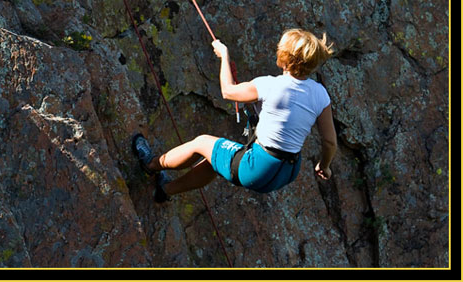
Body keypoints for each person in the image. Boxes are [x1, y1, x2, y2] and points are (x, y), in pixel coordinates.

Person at [132, 28, 337, 202]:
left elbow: (228, 91)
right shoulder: (320, 93)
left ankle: (149, 165)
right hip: (287, 171)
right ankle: (165, 191)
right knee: (216, 158)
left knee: (201, 143)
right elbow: (329, 142)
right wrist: (323, 166)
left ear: (286, 57)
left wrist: (224, 56)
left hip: (257, 166)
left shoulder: (271, 85)